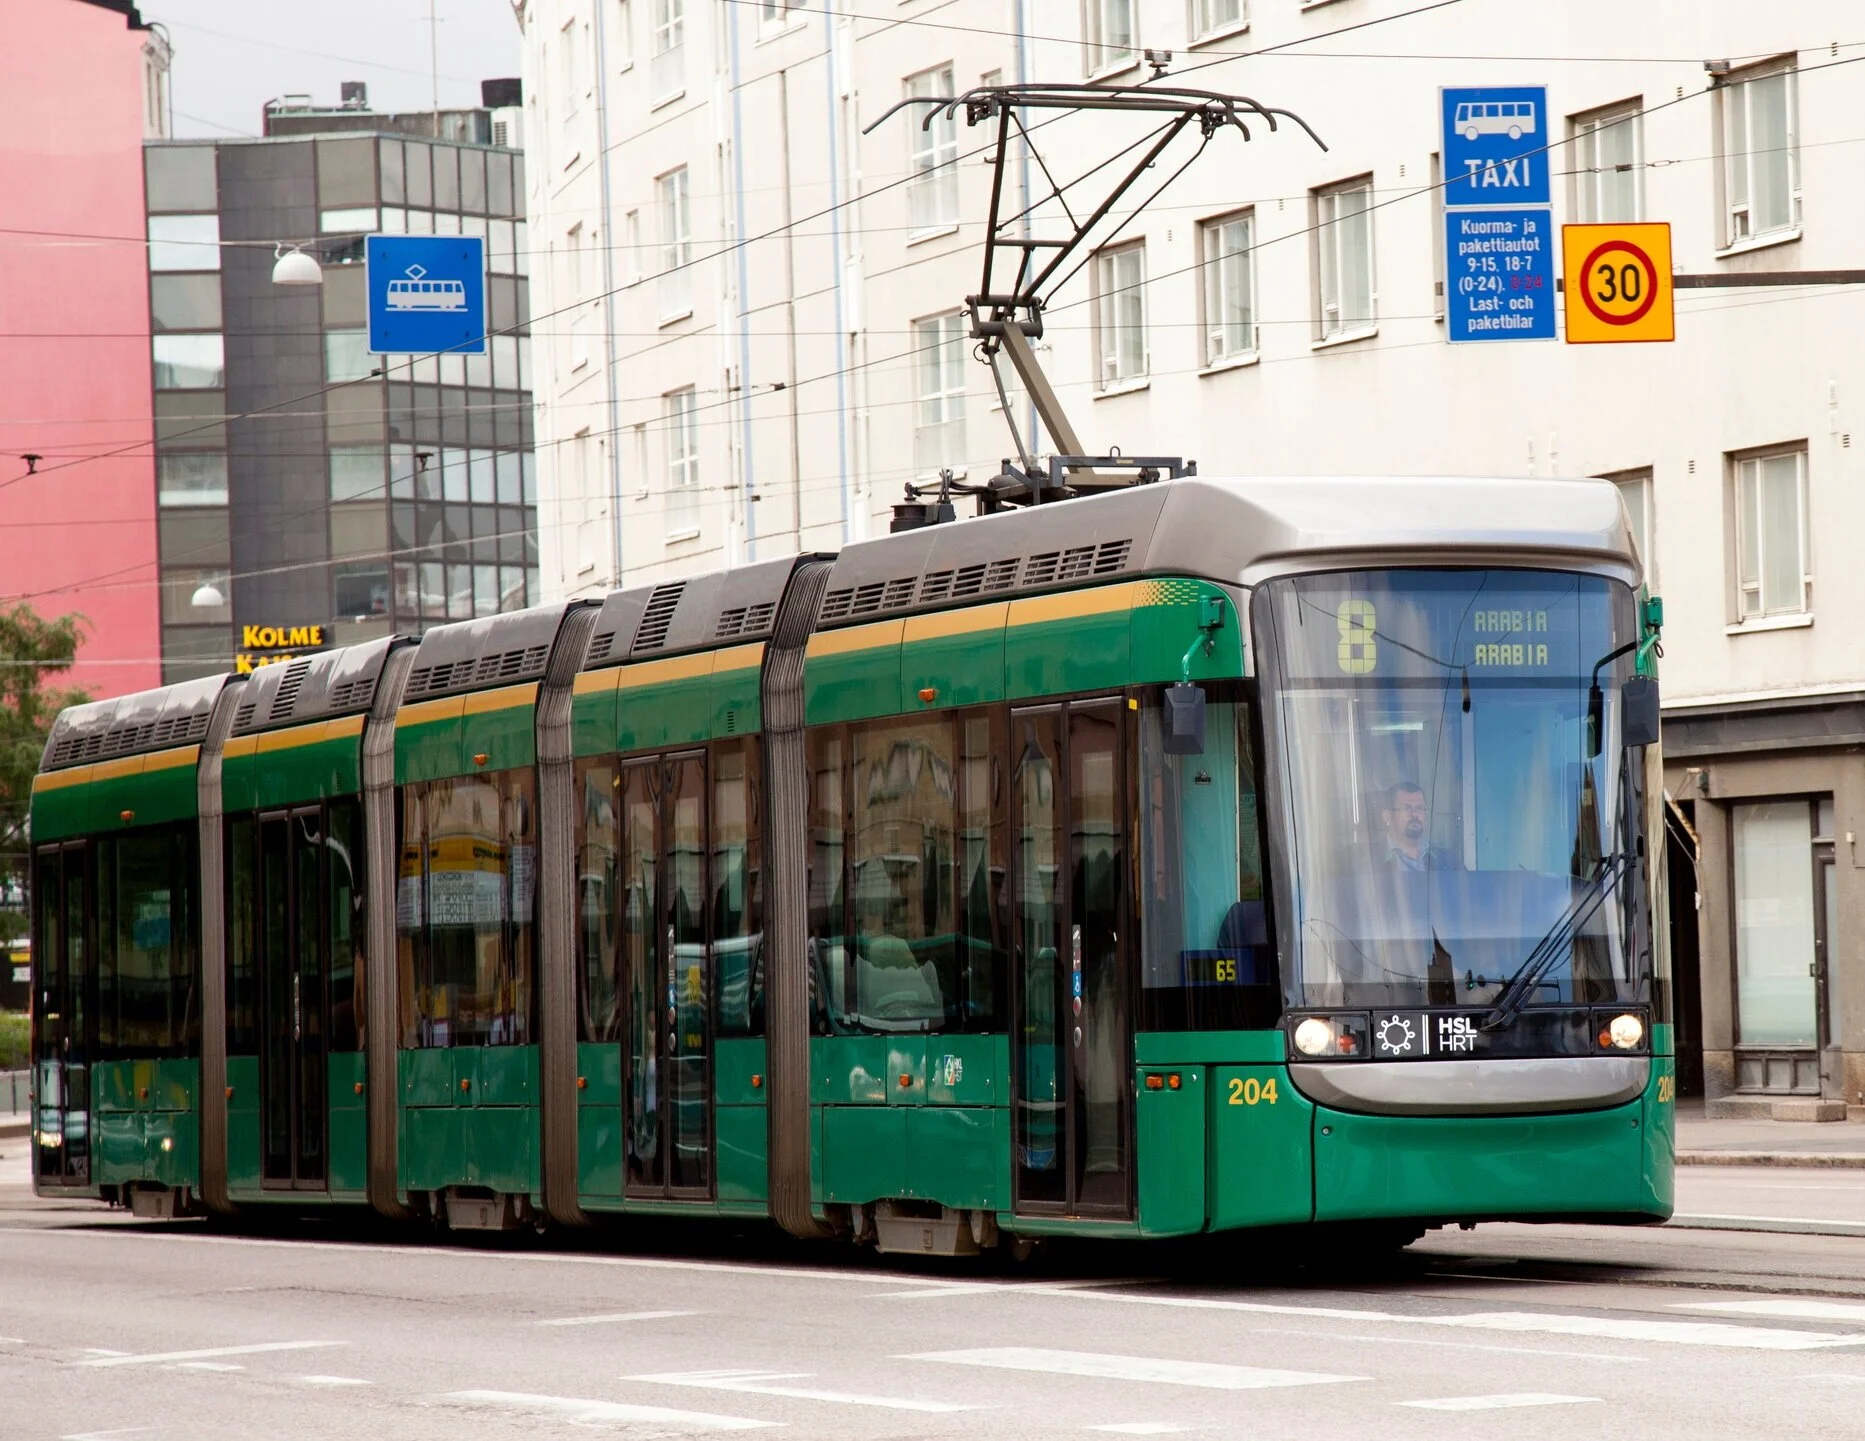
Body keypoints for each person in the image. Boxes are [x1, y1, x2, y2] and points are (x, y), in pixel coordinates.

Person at [1379, 780, 1459, 871]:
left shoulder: (1447, 861)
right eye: (1406, 808)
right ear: (1388, 816)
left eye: (1420, 808)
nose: (1414, 814)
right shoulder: (1370, 859)